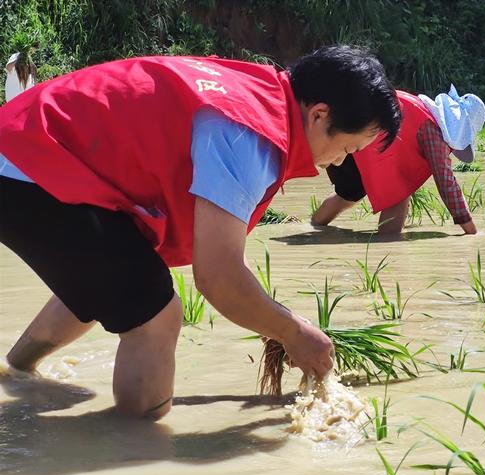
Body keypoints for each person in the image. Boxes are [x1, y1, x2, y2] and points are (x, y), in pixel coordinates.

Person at [0, 46, 402, 419]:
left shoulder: (253, 93)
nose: (339, 162)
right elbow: (218, 277)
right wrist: (294, 333)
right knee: (155, 317)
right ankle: (133, 450)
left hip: (24, 146)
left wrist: (273, 322)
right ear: (318, 115)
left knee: (118, 283)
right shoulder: (252, 133)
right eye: (348, 148)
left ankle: (13, 371)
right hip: (32, 161)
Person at [311, 86, 485, 235]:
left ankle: (313, 227)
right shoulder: (433, 131)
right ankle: (389, 249)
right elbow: (445, 181)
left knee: (349, 193)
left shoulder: (420, 108)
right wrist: (471, 230)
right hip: (356, 142)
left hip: (344, 137)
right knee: (399, 195)